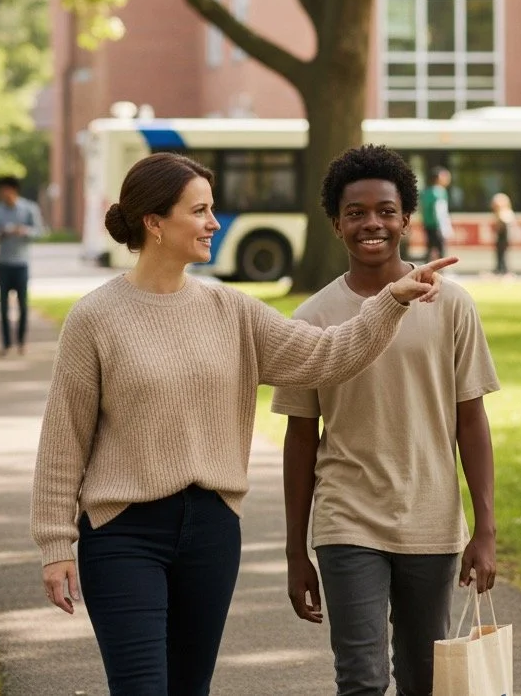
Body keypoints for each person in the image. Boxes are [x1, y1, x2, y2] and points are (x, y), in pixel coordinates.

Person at [30, 152, 456, 696]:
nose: (214, 223)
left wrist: (389, 302)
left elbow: (327, 356)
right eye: (200, 211)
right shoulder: (94, 317)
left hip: (210, 531)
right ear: (154, 222)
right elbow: (63, 438)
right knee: (140, 686)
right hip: (123, 533)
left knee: (189, 687)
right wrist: (55, 544)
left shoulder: (232, 310)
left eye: (213, 209)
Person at [272, 145, 498, 696]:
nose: (371, 223)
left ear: (405, 219)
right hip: (347, 518)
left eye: (385, 210)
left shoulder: (451, 306)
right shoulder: (310, 319)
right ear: (336, 223)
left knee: (424, 677)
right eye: (356, 212)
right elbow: (301, 438)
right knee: (362, 678)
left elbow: (472, 419)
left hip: (432, 520)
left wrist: (485, 526)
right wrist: (294, 550)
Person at [0, 175, 45, 356]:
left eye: (5, 190)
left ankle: (21, 342)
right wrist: (1, 233)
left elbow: (40, 232)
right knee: (3, 306)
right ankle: (6, 343)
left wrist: (24, 231)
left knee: (23, 305)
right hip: (3, 263)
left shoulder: (28, 209)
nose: (2, 194)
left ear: (13, 190)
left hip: (21, 263)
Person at [420, 165, 453, 260]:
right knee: (440, 248)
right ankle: (442, 269)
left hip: (427, 224)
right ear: (438, 178)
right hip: (437, 225)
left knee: (430, 248)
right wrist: (445, 227)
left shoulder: (426, 192)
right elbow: (440, 211)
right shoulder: (439, 191)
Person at [490, 191, 515, 276]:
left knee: (503, 255)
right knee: (499, 255)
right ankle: (499, 270)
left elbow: (504, 226)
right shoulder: (499, 213)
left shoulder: (505, 213)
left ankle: (504, 271)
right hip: (500, 238)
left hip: (504, 238)